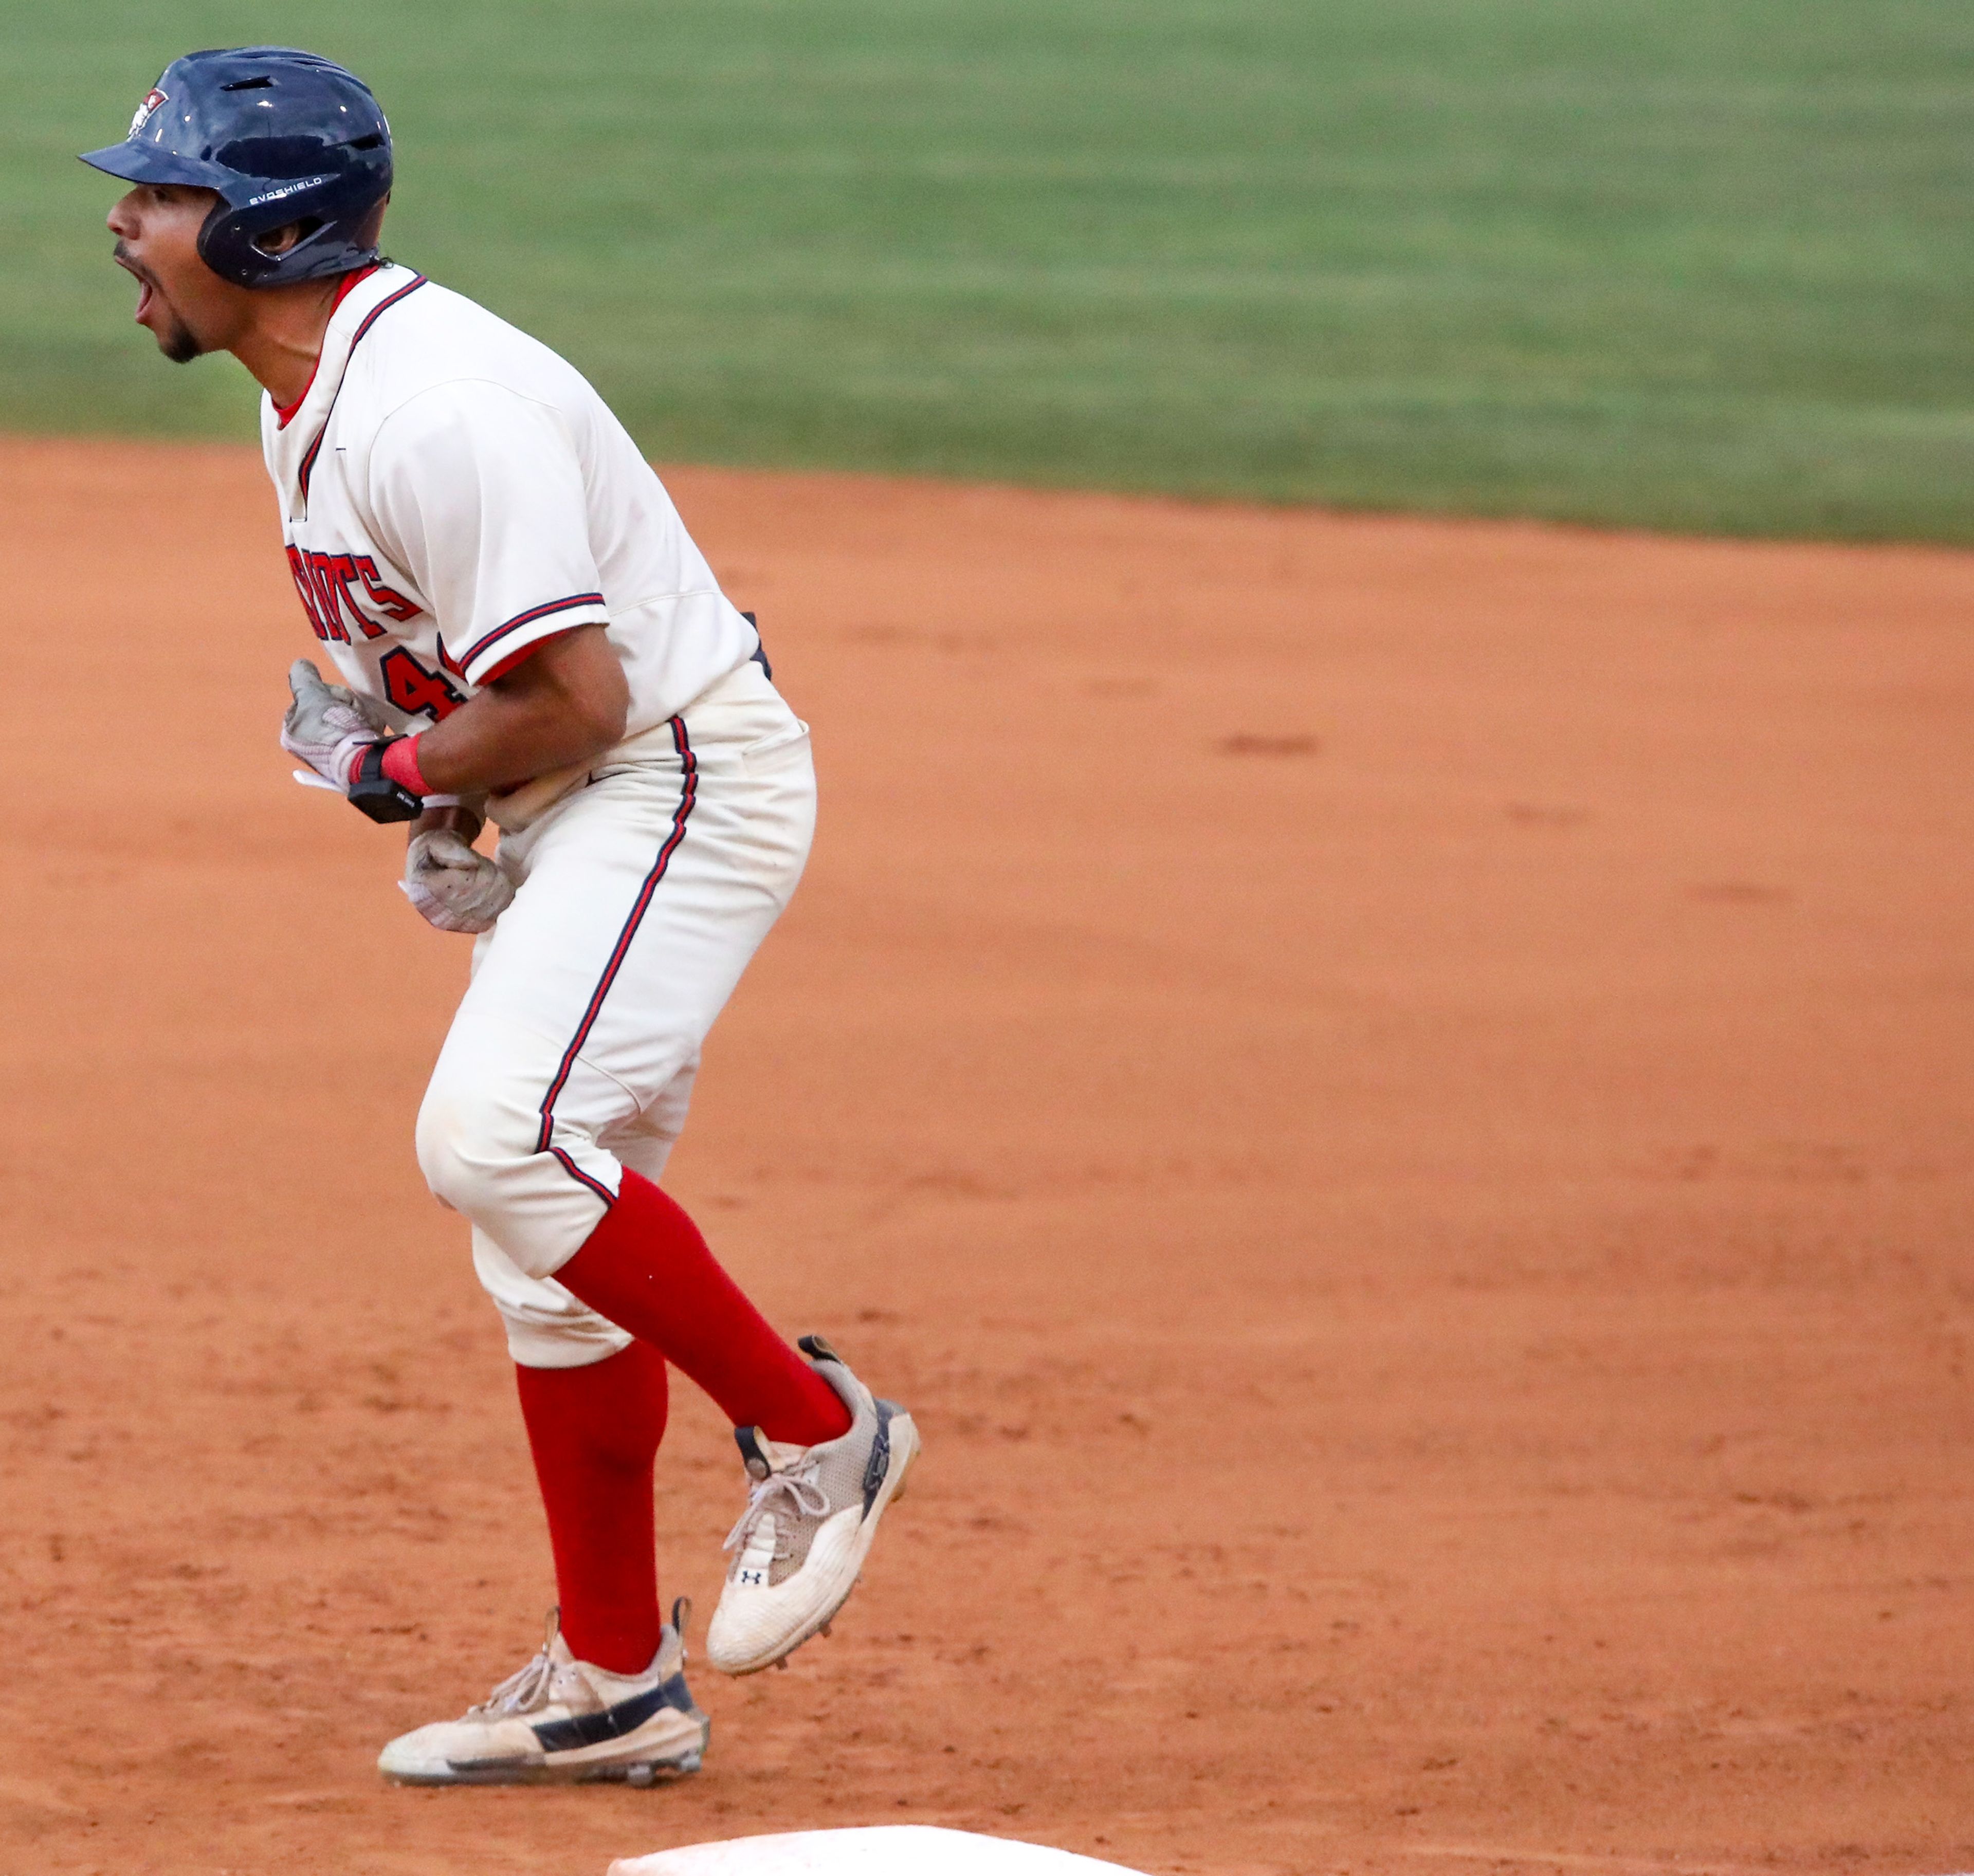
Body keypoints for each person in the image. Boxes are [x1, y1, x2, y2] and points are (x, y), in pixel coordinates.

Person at [82, 45, 919, 1788]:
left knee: (496, 1135)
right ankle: (617, 1680)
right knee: (547, 1245)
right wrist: (458, 794)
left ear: (265, 224)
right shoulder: (302, 388)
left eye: (157, 198)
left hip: (673, 783)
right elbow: (479, 681)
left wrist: (404, 767)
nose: (122, 226)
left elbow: (581, 696)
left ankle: (821, 1428)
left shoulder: (427, 410)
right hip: (579, 796)